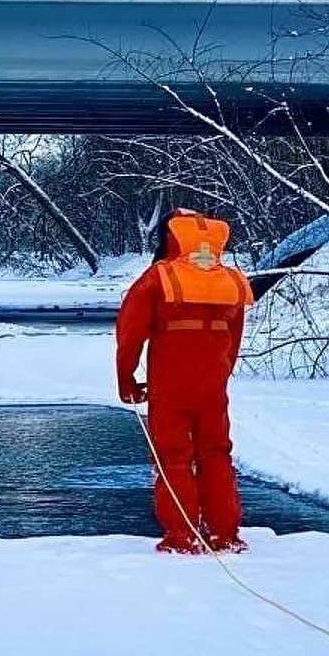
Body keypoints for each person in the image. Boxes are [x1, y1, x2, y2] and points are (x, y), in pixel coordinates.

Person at [115, 209, 256, 554]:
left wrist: (127, 379)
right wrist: (220, 373)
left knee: (173, 459)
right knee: (216, 454)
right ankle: (226, 534)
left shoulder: (157, 278)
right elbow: (233, 340)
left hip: (170, 388)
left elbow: (129, 336)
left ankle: (183, 536)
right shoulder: (230, 282)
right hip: (213, 388)